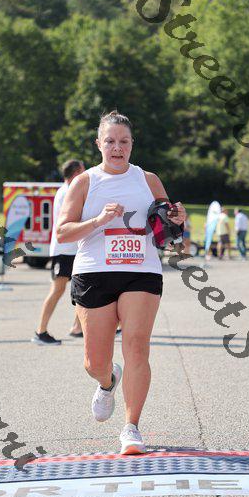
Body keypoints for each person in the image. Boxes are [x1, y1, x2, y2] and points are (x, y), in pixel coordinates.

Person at [56, 110, 186, 454]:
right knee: (94, 362)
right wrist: (99, 220)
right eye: (110, 141)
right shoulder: (85, 182)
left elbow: (168, 231)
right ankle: (107, 380)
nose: (117, 148)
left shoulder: (148, 180)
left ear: (132, 144)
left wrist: (178, 221)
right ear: (98, 144)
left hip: (141, 270)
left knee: (137, 346)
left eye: (124, 141)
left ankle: (131, 428)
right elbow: (63, 232)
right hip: (94, 272)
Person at [32, 159, 85, 345]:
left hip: (73, 249)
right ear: (76, 173)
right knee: (57, 290)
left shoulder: (68, 190)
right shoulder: (67, 192)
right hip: (64, 250)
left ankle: (78, 327)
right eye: (83, 170)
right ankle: (40, 331)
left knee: (82, 288)